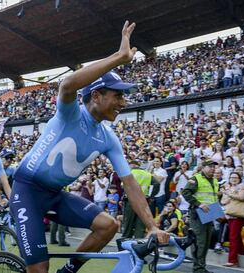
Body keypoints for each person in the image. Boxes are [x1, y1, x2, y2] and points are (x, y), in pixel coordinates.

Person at [9, 21, 169, 273]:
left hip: (54, 194)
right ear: (96, 96)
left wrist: (151, 226)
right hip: (26, 191)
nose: (123, 103)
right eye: (118, 95)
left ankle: (69, 270)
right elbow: (67, 85)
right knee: (39, 270)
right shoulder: (71, 114)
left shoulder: (108, 137)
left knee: (109, 226)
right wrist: (118, 58)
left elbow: (130, 183)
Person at [182, 159, 219, 273]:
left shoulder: (214, 180)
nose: (213, 169)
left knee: (206, 241)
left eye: (214, 167)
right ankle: (198, 268)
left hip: (210, 212)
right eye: (210, 166)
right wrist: (199, 204)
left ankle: (201, 267)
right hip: (198, 213)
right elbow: (185, 192)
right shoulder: (196, 179)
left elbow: (213, 197)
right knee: (200, 241)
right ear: (203, 167)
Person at [122, 160, 160, 239]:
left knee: (128, 224)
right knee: (140, 225)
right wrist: (151, 195)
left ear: (132, 165)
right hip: (143, 200)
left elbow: (123, 186)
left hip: (131, 201)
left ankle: (125, 244)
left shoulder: (129, 173)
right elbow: (157, 183)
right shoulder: (148, 174)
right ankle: (138, 244)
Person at [220, 172, 244, 267]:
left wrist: (230, 195)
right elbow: (223, 201)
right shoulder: (228, 188)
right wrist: (228, 196)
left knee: (233, 237)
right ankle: (242, 254)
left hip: (238, 216)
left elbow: (242, 197)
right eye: (232, 177)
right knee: (236, 237)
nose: (234, 179)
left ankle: (232, 260)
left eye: (236, 177)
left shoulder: (242, 186)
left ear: (240, 179)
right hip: (229, 215)